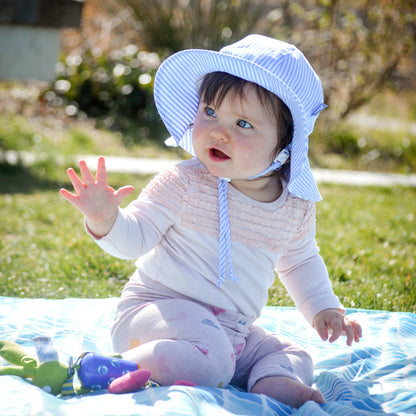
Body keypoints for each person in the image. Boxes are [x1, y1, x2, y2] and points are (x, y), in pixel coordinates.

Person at [60, 34, 362, 408]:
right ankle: (106, 367)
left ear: (285, 146)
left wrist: (324, 308)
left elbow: (300, 261)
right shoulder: (184, 183)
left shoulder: (293, 206)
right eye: (210, 112)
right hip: (154, 313)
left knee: (291, 352)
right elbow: (134, 239)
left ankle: (273, 381)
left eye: (244, 124)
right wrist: (106, 218)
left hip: (232, 329)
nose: (219, 131)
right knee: (213, 358)